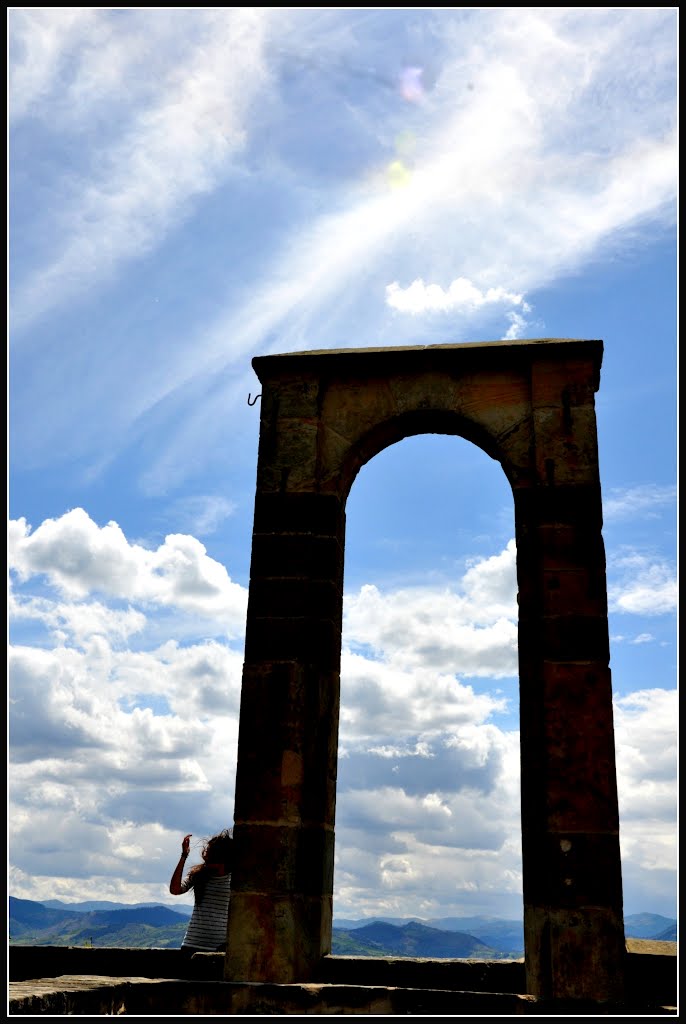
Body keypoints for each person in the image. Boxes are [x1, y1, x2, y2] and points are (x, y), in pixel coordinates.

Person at [169, 829, 233, 952]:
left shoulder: (235, 879)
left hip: (219, 947)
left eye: (209, 852)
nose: (205, 854)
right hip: (192, 945)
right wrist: (184, 856)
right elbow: (175, 889)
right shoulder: (199, 875)